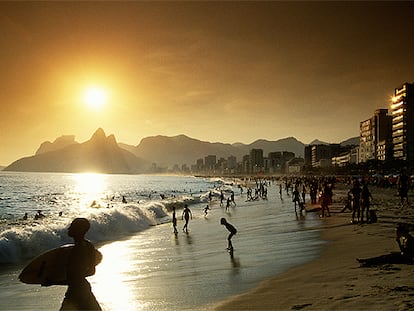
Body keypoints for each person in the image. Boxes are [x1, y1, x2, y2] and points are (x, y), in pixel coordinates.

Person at [60, 218, 102, 310]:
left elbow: (73, 279)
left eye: (72, 227)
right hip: (85, 289)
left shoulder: (76, 251)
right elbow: (91, 272)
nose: (69, 229)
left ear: (80, 230)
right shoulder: (89, 246)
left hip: (76, 292)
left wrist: (51, 282)